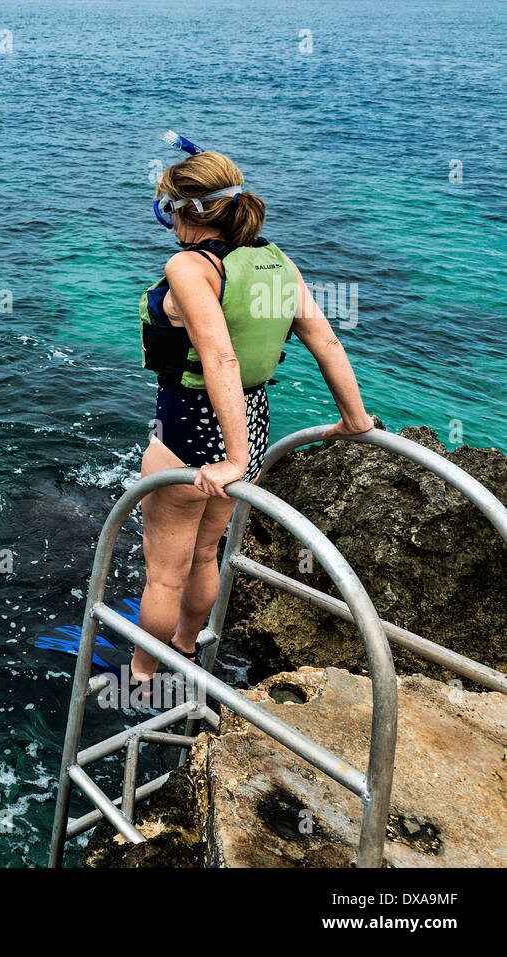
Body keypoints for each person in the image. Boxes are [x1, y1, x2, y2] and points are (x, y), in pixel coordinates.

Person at [129, 149, 375, 682]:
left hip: (191, 428)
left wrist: (230, 459)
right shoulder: (277, 262)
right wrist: (354, 420)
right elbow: (326, 342)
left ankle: (144, 677)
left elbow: (219, 358)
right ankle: (187, 650)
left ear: (181, 211)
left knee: (165, 575)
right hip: (256, 418)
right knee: (203, 555)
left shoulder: (190, 266)